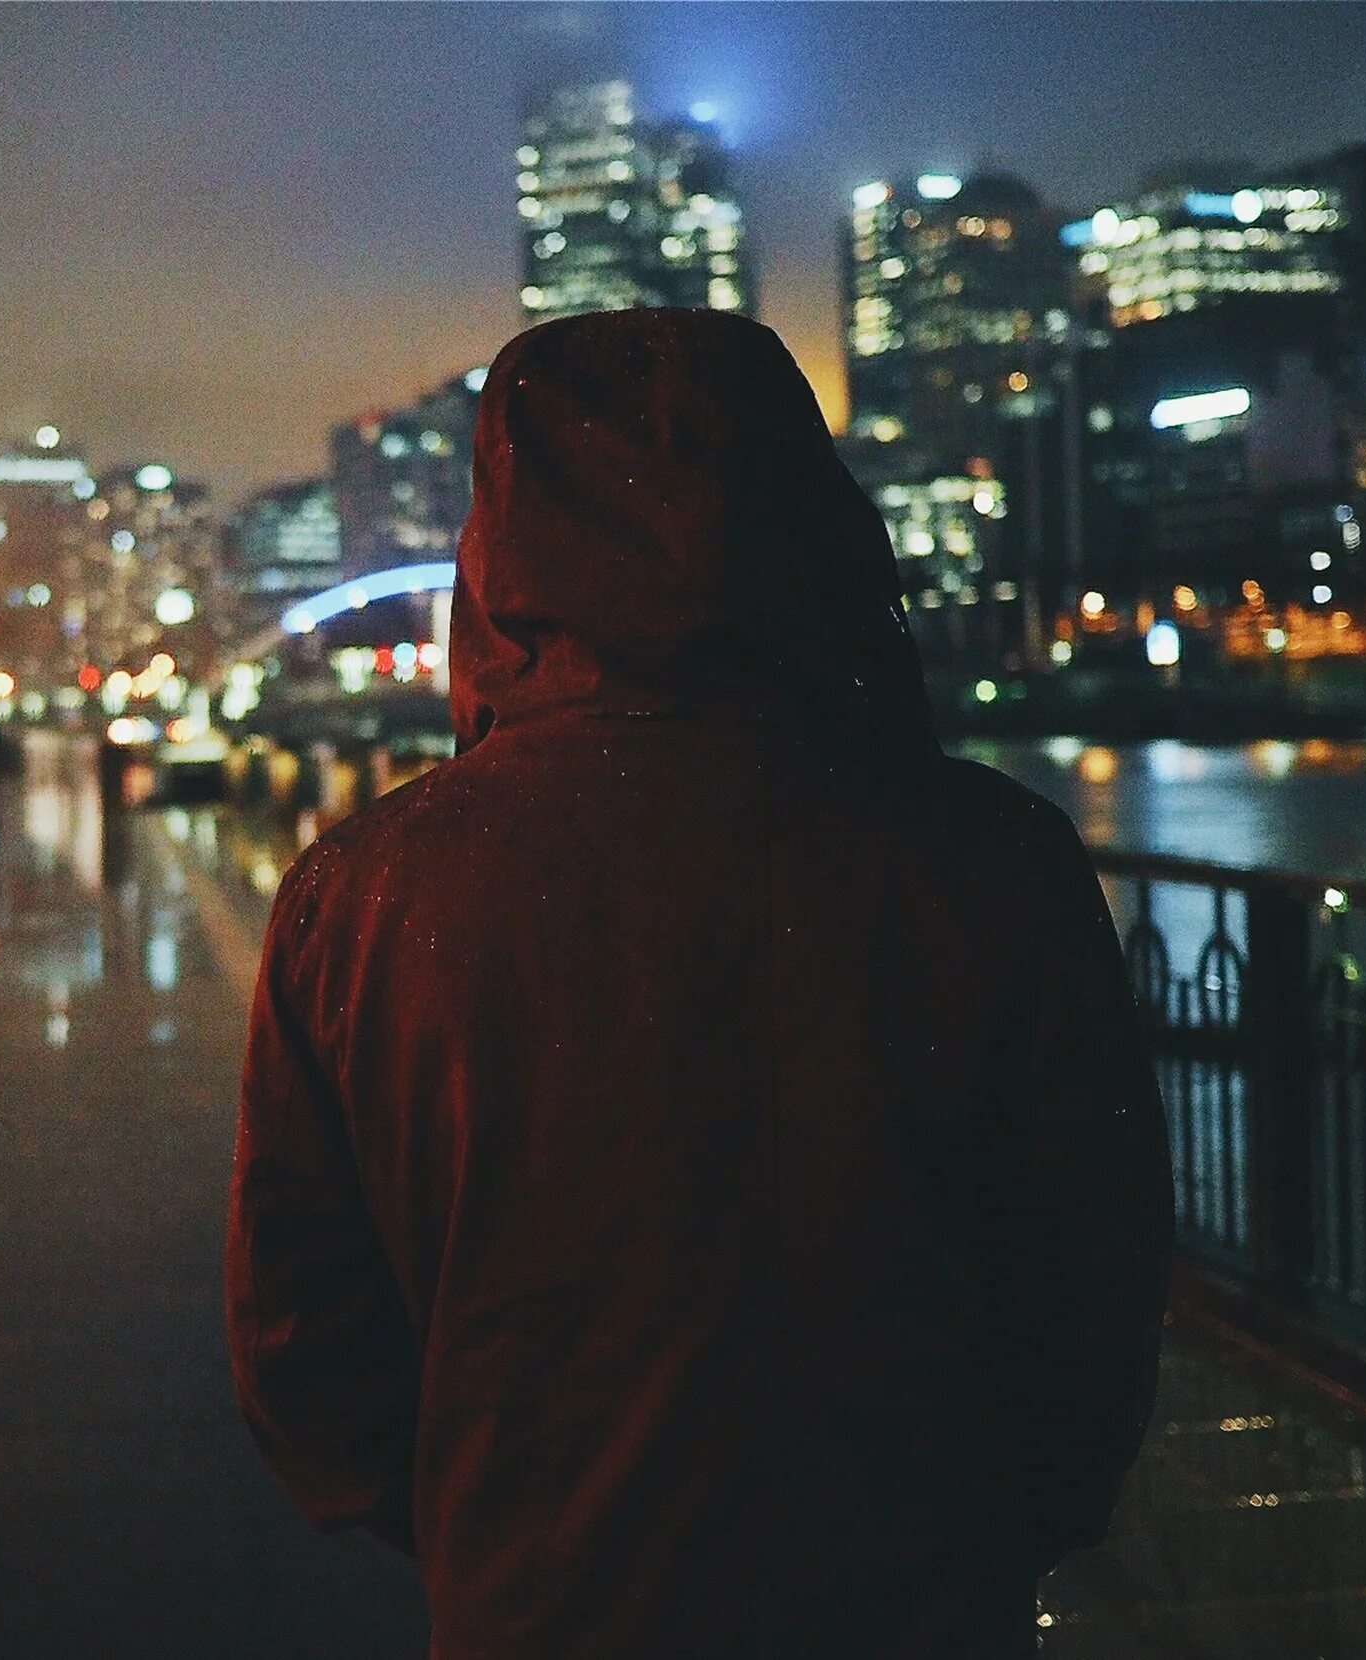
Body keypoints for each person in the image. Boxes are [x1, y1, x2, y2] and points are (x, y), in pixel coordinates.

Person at [225, 309, 1172, 1657]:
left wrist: (472, 1520)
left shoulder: (360, 893)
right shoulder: (994, 859)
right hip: (917, 1604)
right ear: (809, 516)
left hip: (537, 1602)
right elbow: (1097, 1276)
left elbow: (298, 1340)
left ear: (497, 543)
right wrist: (996, 1529)